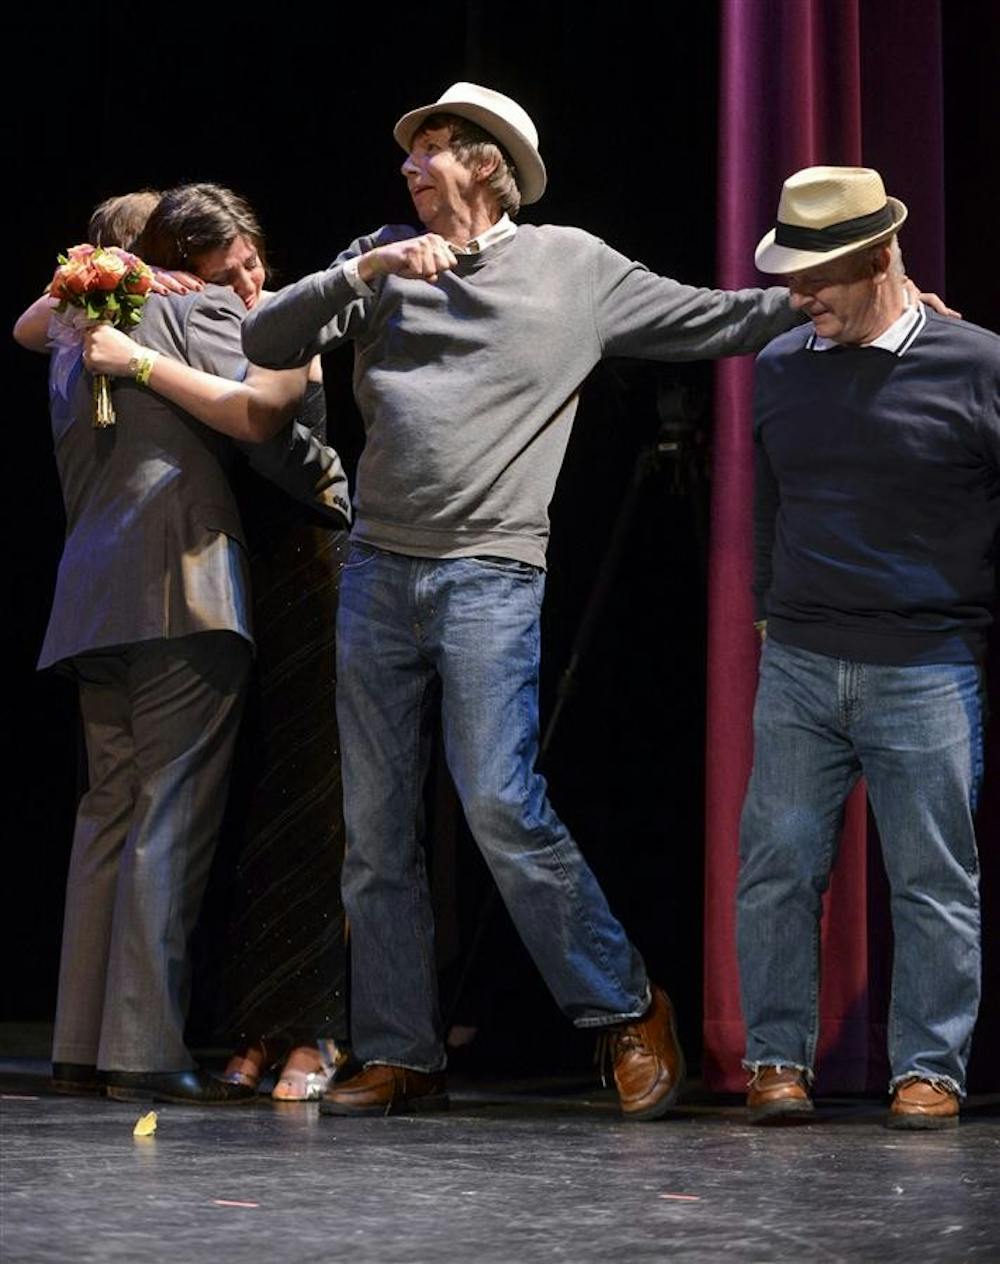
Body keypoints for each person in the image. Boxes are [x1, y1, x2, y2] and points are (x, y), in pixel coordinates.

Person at [238, 81, 818, 1121]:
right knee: (374, 831)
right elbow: (266, 342)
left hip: (491, 575)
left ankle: (627, 1004)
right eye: (409, 151)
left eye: (430, 148)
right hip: (377, 572)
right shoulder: (378, 258)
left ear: (486, 163)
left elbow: (717, 316)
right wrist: (363, 271)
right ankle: (401, 1049)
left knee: (501, 804)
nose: (409, 166)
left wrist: (841, 297)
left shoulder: (572, 268)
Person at [16, 186, 347, 1105]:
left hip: (90, 598)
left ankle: (80, 1045)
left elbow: (32, 323)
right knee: (168, 814)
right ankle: (144, 1048)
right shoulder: (191, 307)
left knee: (107, 816)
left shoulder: (69, 337)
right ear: (156, 257)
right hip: (181, 587)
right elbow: (262, 415)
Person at [737, 166, 999, 1129]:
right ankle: (776, 1061)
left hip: (927, 665)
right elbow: (770, 498)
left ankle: (929, 1070)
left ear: (882, 257)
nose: (799, 296)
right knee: (777, 869)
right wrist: (769, 610)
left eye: (818, 278)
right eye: (791, 277)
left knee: (931, 880)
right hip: (800, 663)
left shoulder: (977, 364)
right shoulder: (781, 367)